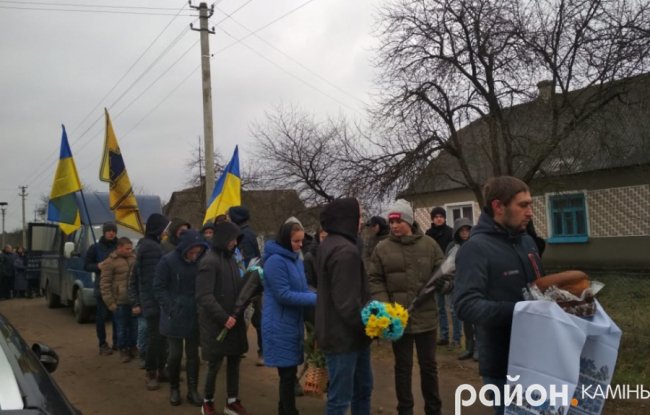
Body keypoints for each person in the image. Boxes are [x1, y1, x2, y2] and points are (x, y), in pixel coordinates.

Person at [454, 176, 543, 415]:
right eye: (522, 205)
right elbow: (465, 305)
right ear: (498, 206)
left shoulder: (527, 242)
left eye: (530, 205)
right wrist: (520, 311)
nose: (530, 212)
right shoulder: (475, 249)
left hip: (539, 358)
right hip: (503, 365)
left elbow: (538, 288)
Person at [368, 199, 445, 415]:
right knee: (403, 369)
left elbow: (446, 274)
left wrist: (444, 284)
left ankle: (434, 409)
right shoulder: (382, 248)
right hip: (398, 320)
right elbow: (374, 278)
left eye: (398, 221)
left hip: (427, 319)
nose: (393, 226)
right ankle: (405, 410)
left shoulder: (429, 245)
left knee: (429, 368)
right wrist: (386, 306)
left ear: (409, 221)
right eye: (391, 222)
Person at [316, 197, 372, 415]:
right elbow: (348, 304)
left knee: (354, 392)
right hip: (346, 338)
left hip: (339, 334)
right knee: (344, 398)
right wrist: (371, 325)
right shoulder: (345, 251)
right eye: (358, 216)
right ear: (347, 219)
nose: (361, 221)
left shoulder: (329, 244)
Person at [196, 220, 251, 415]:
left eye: (236, 239)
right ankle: (207, 401)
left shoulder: (230, 260)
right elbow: (204, 296)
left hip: (233, 322)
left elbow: (236, 289)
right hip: (217, 324)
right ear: (224, 238)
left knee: (234, 361)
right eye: (233, 239)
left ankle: (232, 401)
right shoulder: (209, 261)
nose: (235, 243)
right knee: (214, 364)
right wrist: (223, 317)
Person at [263, 219, 317, 415]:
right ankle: (289, 411)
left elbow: (302, 288)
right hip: (279, 324)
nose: (300, 245)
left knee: (290, 372)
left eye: (301, 241)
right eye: (296, 241)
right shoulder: (275, 261)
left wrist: (315, 294)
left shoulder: (295, 259)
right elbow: (283, 294)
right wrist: (315, 299)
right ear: (286, 240)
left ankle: (284, 409)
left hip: (291, 322)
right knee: (287, 375)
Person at [154, 229, 208, 407]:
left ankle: (193, 390)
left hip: (193, 314)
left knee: (193, 355)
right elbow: (159, 288)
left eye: (198, 252)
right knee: (175, 355)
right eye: (192, 252)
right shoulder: (167, 261)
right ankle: (174, 388)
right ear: (184, 248)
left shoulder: (200, 262)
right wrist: (170, 308)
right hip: (173, 315)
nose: (195, 255)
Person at [128, 213, 170, 391]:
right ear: (157, 229)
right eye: (164, 228)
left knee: (162, 338)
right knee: (156, 339)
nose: (166, 232)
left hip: (153, 301)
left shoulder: (148, 245)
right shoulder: (152, 248)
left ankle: (161, 369)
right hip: (154, 302)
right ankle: (151, 373)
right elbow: (154, 280)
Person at [227, 205, 264, 366]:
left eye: (230, 216)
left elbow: (248, 261)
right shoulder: (249, 232)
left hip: (250, 282)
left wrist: (247, 283)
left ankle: (261, 351)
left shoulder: (244, 235)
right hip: (254, 280)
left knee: (252, 316)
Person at [425, 207, 459, 347]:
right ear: (432, 219)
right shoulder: (428, 234)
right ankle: (444, 335)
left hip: (450, 275)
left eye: (441, 216)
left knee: (453, 307)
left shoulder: (451, 233)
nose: (439, 218)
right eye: (436, 216)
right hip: (435, 275)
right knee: (440, 308)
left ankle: (456, 338)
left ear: (445, 218)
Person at [443, 218, 476, 361]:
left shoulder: (476, 244)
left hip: (475, 285)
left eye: (467, 230)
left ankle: (479, 347)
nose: (465, 233)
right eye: (462, 230)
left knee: (477, 319)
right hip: (459, 286)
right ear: (456, 232)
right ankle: (469, 347)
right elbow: (447, 267)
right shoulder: (452, 247)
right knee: (466, 318)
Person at [100, 237, 137, 363]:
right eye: (127, 249)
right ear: (119, 248)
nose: (130, 251)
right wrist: (110, 302)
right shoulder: (110, 262)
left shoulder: (134, 259)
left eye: (131, 248)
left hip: (133, 300)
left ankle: (133, 347)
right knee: (122, 327)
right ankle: (123, 350)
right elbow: (105, 284)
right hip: (119, 301)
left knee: (134, 326)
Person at [84, 222, 118, 355]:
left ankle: (118, 342)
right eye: (109, 230)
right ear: (104, 232)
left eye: (113, 231)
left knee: (117, 317)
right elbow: (86, 265)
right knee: (101, 317)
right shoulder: (95, 248)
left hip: (117, 288)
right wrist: (98, 266)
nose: (111, 233)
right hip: (102, 287)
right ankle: (102, 344)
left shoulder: (118, 246)